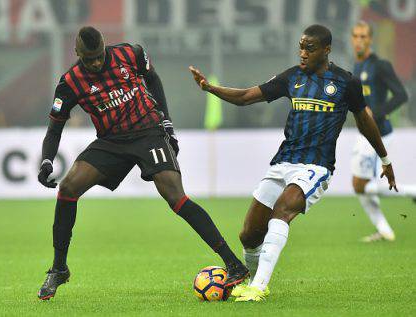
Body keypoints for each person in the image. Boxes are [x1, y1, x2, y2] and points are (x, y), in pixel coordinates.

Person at [36, 26, 248, 300]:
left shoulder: (130, 54)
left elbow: (154, 81)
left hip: (148, 131)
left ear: (105, 46)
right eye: (90, 60)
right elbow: (54, 129)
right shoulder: (70, 83)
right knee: (68, 188)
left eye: (99, 56)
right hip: (111, 141)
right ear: (77, 53)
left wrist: (167, 125)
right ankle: (59, 268)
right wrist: (46, 161)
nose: (97, 63)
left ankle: (233, 264)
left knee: (175, 196)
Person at [189, 24, 397, 302]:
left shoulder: (346, 83)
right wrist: (210, 88)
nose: (303, 53)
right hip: (283, 162)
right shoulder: (292, 78)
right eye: (301, 46)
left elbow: (365, 122)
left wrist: (385, 159)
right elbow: (246, 97)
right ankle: (246, 280)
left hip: (316, 166)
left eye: (309, 48)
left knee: (282, 211)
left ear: (326, 50)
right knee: (249, 235)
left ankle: (258, 288)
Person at [351, 21, 413, 242]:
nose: (359, 40)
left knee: (361, 184)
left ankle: (411, 191)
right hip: (364, 132)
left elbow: (401, 95)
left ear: (370, 39)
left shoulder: (380, 65)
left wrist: (375, 113)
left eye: (363, 36)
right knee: (359, 185)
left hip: (380, 132)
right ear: (352, 39)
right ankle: (385, 230)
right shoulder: (356, 66)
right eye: (356, 36)